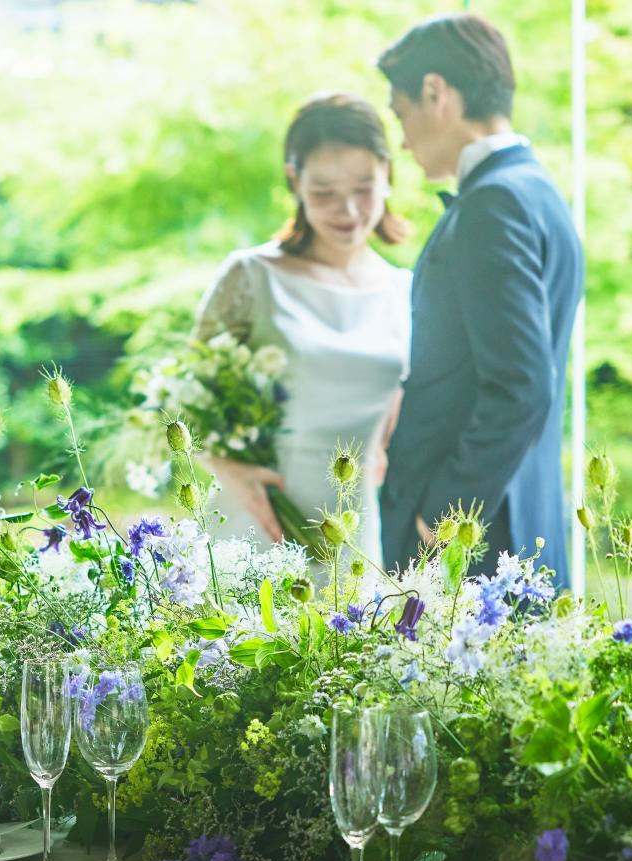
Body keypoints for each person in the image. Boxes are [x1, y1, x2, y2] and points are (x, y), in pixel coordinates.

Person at [376, 13, 584, 587]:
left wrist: (439, 519)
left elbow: (521, 386)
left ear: (436, 92)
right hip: (517, 531)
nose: (401, 138)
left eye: (401, 113)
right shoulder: (538, 192)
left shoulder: (494, 204)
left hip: (477, 553)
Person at [192, 92, 412, 560]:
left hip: (355, 526)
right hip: (258, 519)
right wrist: (225, 466)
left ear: (387, 174)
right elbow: (183, 399)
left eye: (363, 188)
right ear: (295, 181)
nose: (348, 211)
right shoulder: (251, 276)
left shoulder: (404, 291)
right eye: (325, 192)